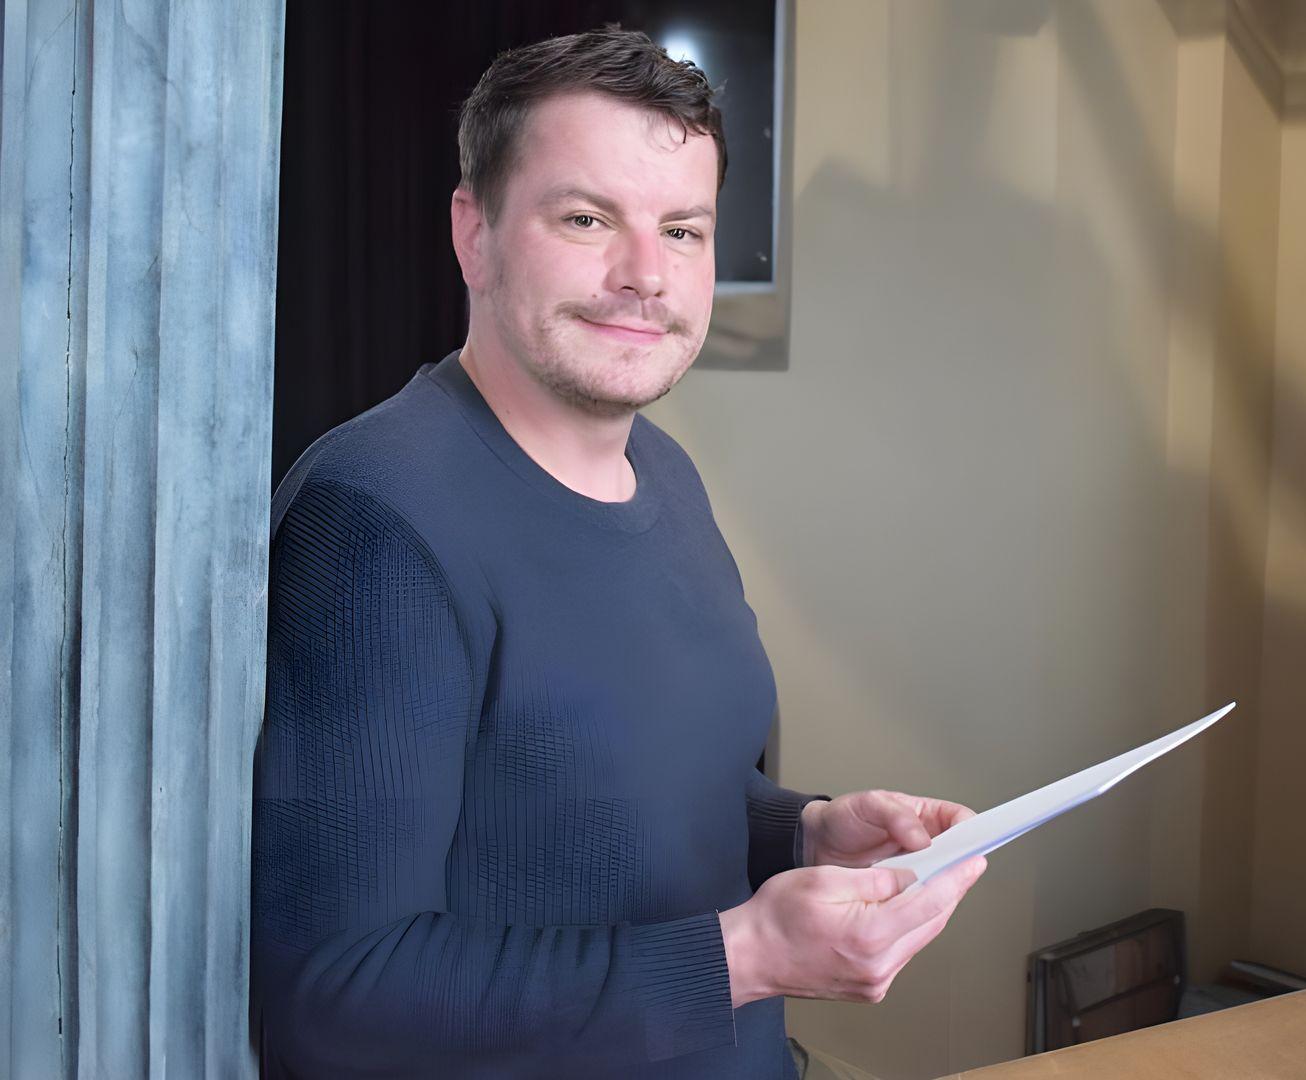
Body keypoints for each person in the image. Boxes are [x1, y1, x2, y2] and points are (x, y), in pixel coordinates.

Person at [251, 27, 987, 1078]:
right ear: (476, 234)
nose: (646, 274)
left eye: (683, 231)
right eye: (587, 219)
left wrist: (804, 833)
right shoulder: (378, 520)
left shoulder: (670, 478)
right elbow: (335, 996)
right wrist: (746, 955)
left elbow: (620, 789)